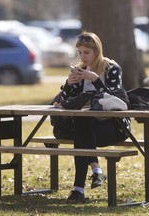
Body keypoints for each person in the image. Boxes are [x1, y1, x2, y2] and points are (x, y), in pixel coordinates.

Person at [55, 31, 129, 203]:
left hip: (113, 127)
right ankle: (93, 174)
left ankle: (79, 189)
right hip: (87, 128)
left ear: (97, 51)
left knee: (81, 135)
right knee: (81, 121)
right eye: (80, 52)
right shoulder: (81, 70)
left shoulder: (111, 68)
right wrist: (68, 84)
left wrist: (95, 79)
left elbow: (115, 100)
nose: (83, 56)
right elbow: (64, 102)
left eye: (86, 52)